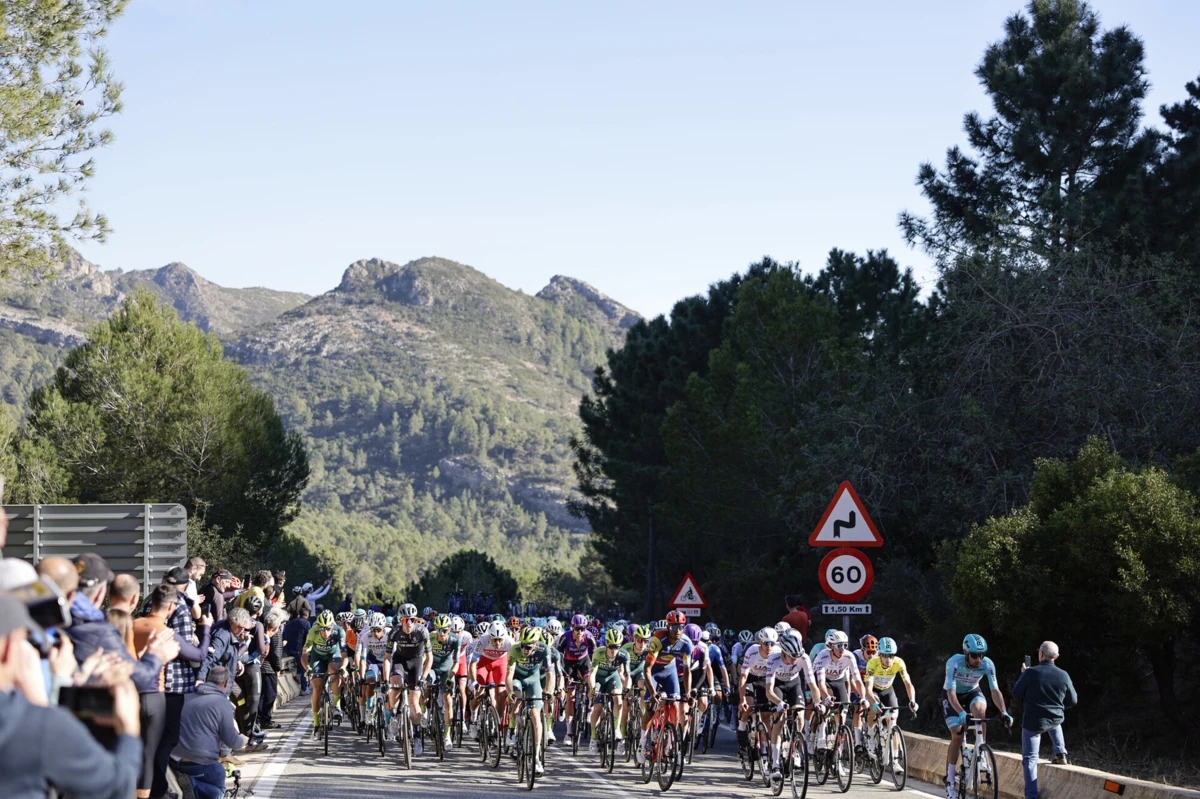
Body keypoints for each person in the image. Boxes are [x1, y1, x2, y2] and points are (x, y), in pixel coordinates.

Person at [0, 592, 143, 799]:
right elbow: (116, 786)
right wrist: (129, 728)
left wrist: (73, 681)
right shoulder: (39, 727)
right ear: (9, 649)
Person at [66, 553, 179, 694]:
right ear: (101, 593)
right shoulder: (100, 631)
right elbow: (139, 679)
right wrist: (155, 656)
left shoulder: (49, 620)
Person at [944, 634, 1013, 799]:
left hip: (972, 692)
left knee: (980, 713)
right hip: (953, 695)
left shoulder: (987, 664)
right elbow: (951, 693)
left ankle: (981, 752)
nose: (979, 659)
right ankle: (950, 779)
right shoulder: (954, 662)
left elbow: (995, 691)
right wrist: (961, 712)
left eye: (982, 655)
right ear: (965, 652)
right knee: (957, 736)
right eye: (974, 655)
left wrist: (1003, 711)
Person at [1012, 641, 1077, 799]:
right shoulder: (1064, 675)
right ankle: (1060, 752)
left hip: (1033, 722)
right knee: (1055, 722)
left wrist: (1023, 674)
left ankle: (1031, 796)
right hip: (1054, 718)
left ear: (1041, 654)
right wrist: (1059, 708)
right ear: (1057, 656)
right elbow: (1073, 700)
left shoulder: (1031, 673)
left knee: (1030, 759)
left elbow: (1015, 693)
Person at [173, 666, 247, 799]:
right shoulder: (222, 702)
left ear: (208, 679)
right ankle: (193, 784)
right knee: (219, 781)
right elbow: (231, 741)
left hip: (176, 761)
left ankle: (190, 784)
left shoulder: (186, 694)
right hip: (203, 764)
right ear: (226, 683)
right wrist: (243, 739)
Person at [198, 607, 252, 694]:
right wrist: (200, 679)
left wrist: (237, 660)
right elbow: (207, 659)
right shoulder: (222, 636)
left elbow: (229, 650)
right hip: (215, 685)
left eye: (243, 628)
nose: (241, 630)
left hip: (223, 681)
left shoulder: (228, 627)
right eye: (239, 627)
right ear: (232, 622)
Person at [283, 604, 312, 693]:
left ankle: (299, 682)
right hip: (299, 649)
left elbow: (285, 634)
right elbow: (309, 637)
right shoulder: (306, 623)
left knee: (296, 667)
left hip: (287, 649)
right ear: (307, 615)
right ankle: (304, 688)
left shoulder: (290, 622)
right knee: (303, 667)